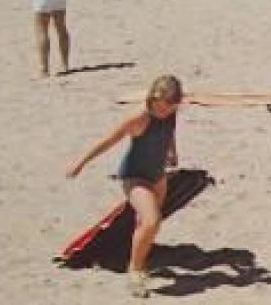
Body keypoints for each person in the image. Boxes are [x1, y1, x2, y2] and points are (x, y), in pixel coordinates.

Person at [67, 75, 184, 298]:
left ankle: (140, 262)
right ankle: (135, 271)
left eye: (168, 108)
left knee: (147, 225)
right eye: (159, 107)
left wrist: (172, 152)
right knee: (152, 220)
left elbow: (170, 131)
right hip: (134, 177)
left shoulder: (172, 113)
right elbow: (108, 140)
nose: (163, 112)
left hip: (158, 176)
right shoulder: (139, 118)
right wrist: (81, 162)